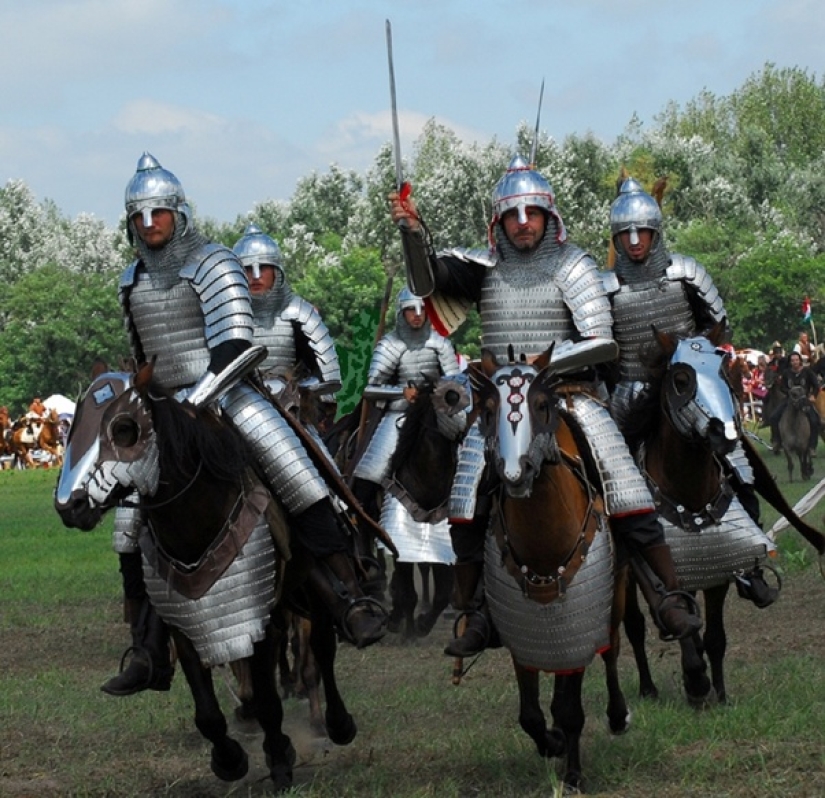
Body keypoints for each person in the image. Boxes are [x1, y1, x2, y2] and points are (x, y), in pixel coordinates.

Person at [388, 155, 702, 655]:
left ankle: (668, 593)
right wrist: (410, 231)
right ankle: (473, 613)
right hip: (497, 404)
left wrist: (543, 363)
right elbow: (427, 282)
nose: (523, 223)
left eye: (531, 213)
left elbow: (602, 343)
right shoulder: (482, 268)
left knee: (624, 483)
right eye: (512, 215)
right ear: (498, 221)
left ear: (547, 216)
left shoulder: (572, 266)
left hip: (565, 396)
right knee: (466, 497)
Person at [101, 154, 386, 697]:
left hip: (230, 396)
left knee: (298, 473)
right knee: (127, 521)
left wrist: (194, 403)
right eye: (139, 216)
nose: (148, 223)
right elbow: (140, 355)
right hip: (164, 413)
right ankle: (146, 647)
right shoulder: (130, 279)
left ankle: (349, 595)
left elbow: (236, 344)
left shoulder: (214, 263)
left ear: (178, 214)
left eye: (158, 212)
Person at [604, 176, 777, 607]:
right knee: (610, 481)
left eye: (641, 232)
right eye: (625, 234)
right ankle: (617, 563)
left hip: (688, 388)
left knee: (736, 462)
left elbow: (718, 327)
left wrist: (690, 361)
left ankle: (747, 564)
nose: (634, 241)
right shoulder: (606, 289)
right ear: (617, 238)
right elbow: (598, 345)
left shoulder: (687, 273)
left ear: (655, 232)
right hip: (631, 396)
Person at [350, 288, 467, 625]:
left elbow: (456, 381)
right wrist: (401, 392)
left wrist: (442, 395)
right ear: (402, 313)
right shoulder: (390, 345)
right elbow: (371, 387)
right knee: (368, 476)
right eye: (411, 310)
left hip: (437, 412)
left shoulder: (440, 343)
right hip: (398, 415)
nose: (417, 315)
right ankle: (362, 528)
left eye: (421, 309)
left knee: (471, 462)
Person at [233, 223, 341, 435]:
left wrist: (297, 389)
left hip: (291, 409)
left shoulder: (300, 313)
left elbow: (326, 375)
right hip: (238, 406)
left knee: (314, 464)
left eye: (262, 267)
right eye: (247, 269)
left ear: (276, 272)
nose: (255, 276)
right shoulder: (227, 316)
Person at [768, 350, 821, 457]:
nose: (795, 362)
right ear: (790, 362)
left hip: (804, 399)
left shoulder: (807, 371)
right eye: (792, 360)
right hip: (789, 399)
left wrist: (813, 395)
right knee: (774, 417)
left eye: (797, 360)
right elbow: (782, 387)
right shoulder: (787, 373)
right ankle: (777, 441)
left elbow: (816, 385)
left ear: (800, 361)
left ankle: (811, 447)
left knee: (815, 420)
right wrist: (789, 392)